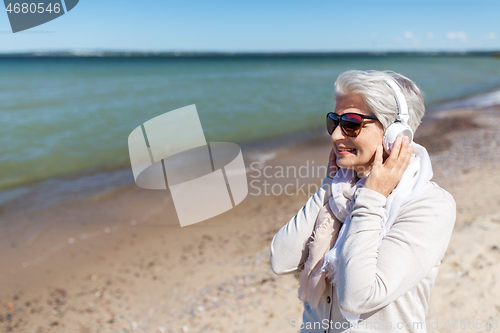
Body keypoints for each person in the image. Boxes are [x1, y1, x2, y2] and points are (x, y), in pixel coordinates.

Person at [270, 70, 456, 333]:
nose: (335, 136)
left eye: (352, 123)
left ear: (395, 132)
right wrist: (328, 184)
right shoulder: (339, 192)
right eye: (334, 122)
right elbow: (281, 260)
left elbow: (358, 296)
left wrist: (372, 197)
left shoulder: (430, 205)